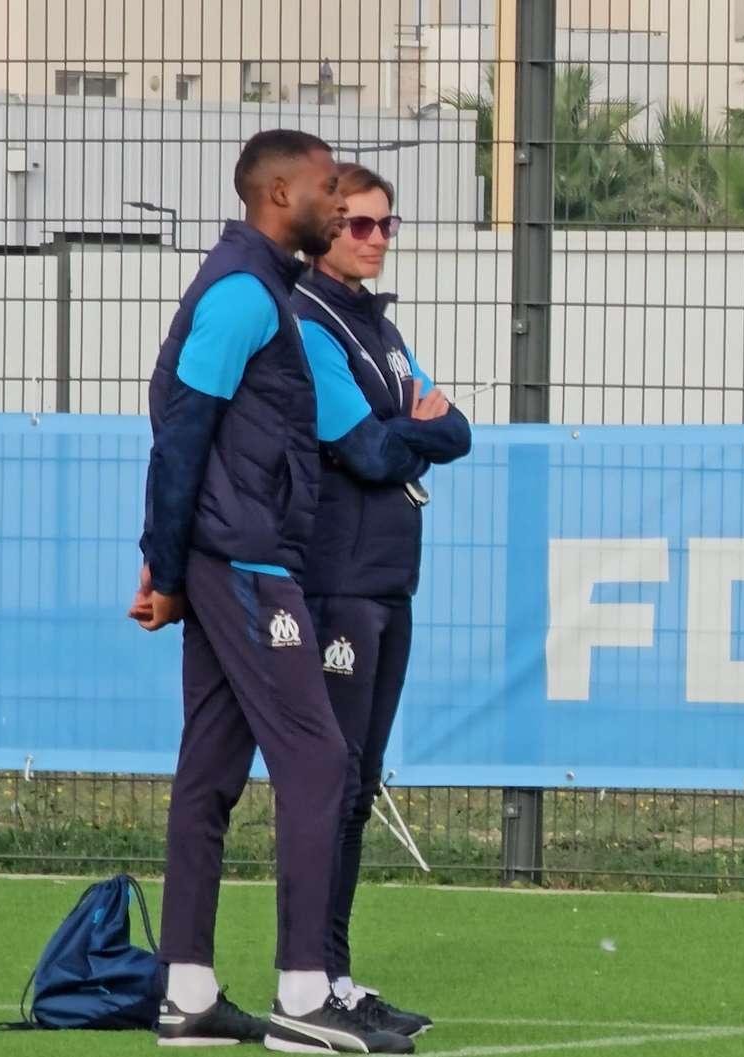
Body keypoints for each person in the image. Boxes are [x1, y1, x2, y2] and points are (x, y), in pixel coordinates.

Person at [130, 129, 422, 1054]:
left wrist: (178, 558)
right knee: (318, 759)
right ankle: (305, 995)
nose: (342, 208)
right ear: (278, 194)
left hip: (233, 555)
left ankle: (189, 992)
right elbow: (178, 428)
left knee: (211, 772)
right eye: (331, 190)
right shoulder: (240, 293)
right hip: (245, 563)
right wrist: (168, 563)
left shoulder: (268, 290)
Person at [292, 162, 471, 1038]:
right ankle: (310, 980)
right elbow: (361, 449)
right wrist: (413, 431)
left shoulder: (381, 328)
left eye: (385, 225)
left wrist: (409, 432)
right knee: (331, 783)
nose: (373, 238)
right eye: (358, 224)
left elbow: (458, 430)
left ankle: (337, 972)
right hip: (337, 583)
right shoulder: (307, 319)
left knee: (357, 787)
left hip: (388, 579)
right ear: (323, 228)